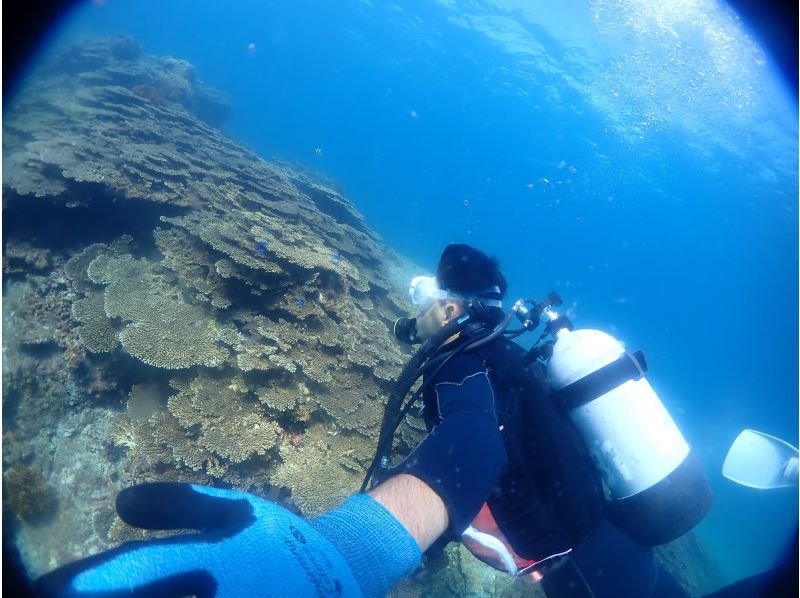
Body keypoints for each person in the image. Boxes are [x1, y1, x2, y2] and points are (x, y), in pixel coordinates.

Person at [37, 244, 687, 598]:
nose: (420, 309)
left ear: (455, 310)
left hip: (592, 579)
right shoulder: (503, 358)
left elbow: (475, 451)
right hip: (613, 556)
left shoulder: (462, 365)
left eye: (427, 297)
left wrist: (341, 551)